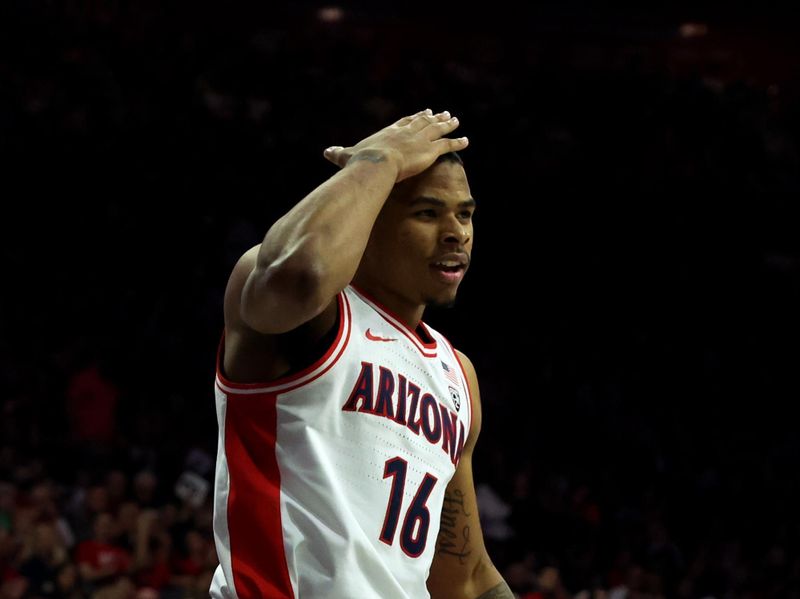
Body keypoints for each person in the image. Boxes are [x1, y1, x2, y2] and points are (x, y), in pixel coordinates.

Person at [210, 108, 514, 599]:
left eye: (465, 213)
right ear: (368, 218)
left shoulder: (458, 376)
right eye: (427, 213)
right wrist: (380, 159)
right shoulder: (314, 316)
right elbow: (302, 271)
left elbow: (466, 576)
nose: (457, 232)